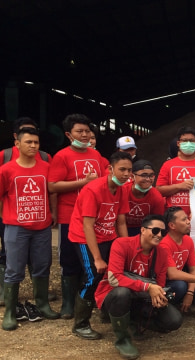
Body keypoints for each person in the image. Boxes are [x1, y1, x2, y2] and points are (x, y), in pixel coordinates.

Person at [94, 215, 182, 359]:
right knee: (121, 293)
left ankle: (136, 321)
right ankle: (123, 340)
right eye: (155, 230)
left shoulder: (162, 253)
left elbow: (159, 284)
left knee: (174, 320)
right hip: (113, 295)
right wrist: (147, 287)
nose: (159, 235)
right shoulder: (121, 243)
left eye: (163, 232)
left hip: (140, 298)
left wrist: (161, 297)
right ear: (142, 230)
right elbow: (114, 278)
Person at [48, 113, 108, 319]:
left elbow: (102, 181)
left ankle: (86, 299)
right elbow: (52, 185)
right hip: (68, 216)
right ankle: (67, 303)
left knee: (90, 261)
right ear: (68, 134)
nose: (84, 135)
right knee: (69, 260)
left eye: (87, 131)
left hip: (93, 216)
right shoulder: (62, 156)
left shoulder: (95, 156)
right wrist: (82, 182)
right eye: (79, 132)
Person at [67, 151, 132, 340]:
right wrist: (97, 258)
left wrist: (125, 247)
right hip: (84, 236)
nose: (126, 174)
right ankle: (80, 324)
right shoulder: (93, 189)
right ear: (110, 169)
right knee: (93, 275)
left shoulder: (122, 189)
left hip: (107, 235)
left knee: (115, 271)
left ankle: (107, 309)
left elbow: (120, 222)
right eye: (122, 170)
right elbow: (87, 225)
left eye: (129, 170)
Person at [1, 128, 59, 331]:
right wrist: (5, 216)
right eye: (28, 142)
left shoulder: (46, 167)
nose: (33, 146)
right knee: (14, 270)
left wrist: (53, 213)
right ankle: (9, 312)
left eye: (36, 142)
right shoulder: (6, 170)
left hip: (42, 227)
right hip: (16, 228)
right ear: (17, 144)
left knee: (42, 265)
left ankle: (42, 304)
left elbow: (51, 191)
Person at [159, 207, 195, 312]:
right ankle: (167, 306)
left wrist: (190, 292)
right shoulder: (164, 244)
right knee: (180, 286)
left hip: (182, 280)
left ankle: (184, 301)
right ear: (172, 226)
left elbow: (193, 269)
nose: (188, 222)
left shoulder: (188, 240)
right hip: (166, 283)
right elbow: (172, 274)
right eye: (184, 220)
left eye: (187, 219)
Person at [156, 127, 195, 216]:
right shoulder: (168, 164)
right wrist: (179, 186)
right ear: (178, 143)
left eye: (191, 141)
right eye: (184, 140)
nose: (188, 143)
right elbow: (159, 190)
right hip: (173, 219)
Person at [123, 160, 165, 236]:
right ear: (132, 176)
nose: (148, 179)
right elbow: (117, 222)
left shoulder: (157, 197)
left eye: (151, 175)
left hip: (144, 231)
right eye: (144, 175)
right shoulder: (123, 191)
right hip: (122, 227)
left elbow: (156, 223)